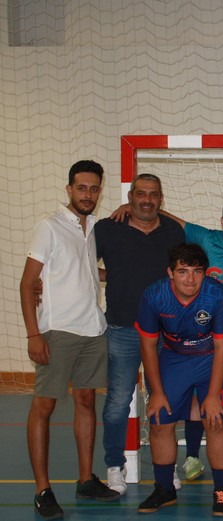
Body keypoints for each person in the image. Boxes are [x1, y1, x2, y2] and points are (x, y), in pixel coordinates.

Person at [20, 160, 120, 518]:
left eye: (93, 189)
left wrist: (127, 273)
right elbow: (27, 282)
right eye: (81, 188)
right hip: (58, 331)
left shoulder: (92, 228)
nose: (87, 194)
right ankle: (42, 489)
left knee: (86, 402)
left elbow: (88, 271)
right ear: (69, 189)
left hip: (93, 329)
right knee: (44, 406)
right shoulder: (49, 226)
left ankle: (85, 479)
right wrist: (34, 334)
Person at [154, 196, 223, 482]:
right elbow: (174, 221)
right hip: (202, 338)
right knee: (197, 398)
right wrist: (136, 208)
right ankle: (191, 456)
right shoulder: (205, 238)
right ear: (222, 220)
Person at [96, 173, 184, 494]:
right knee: (119, 401)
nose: (147, 200)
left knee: (164, 399)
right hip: (122, 329)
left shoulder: (173, 232)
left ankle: (166, 467)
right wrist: (114, 275)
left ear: (161, 199)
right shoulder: (107, 229)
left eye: (153, 194)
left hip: (164, 333)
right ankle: (114, 465)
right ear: (130, 196)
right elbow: (82, 264)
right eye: (141, 193)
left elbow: (183, 273)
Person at [135, 244, 223, 515]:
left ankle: (222, 491)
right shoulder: (154, 296)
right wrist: (156, 392)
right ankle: (164, 489)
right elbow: (148, 346)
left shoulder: (217, 295)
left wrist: (212, 396)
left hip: (210, 359)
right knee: (159, 419)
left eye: (197, 271)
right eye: (183, 271)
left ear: (205, 273)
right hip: (175, 358)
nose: (190, 279)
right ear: (170, 273)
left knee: (216, 421)